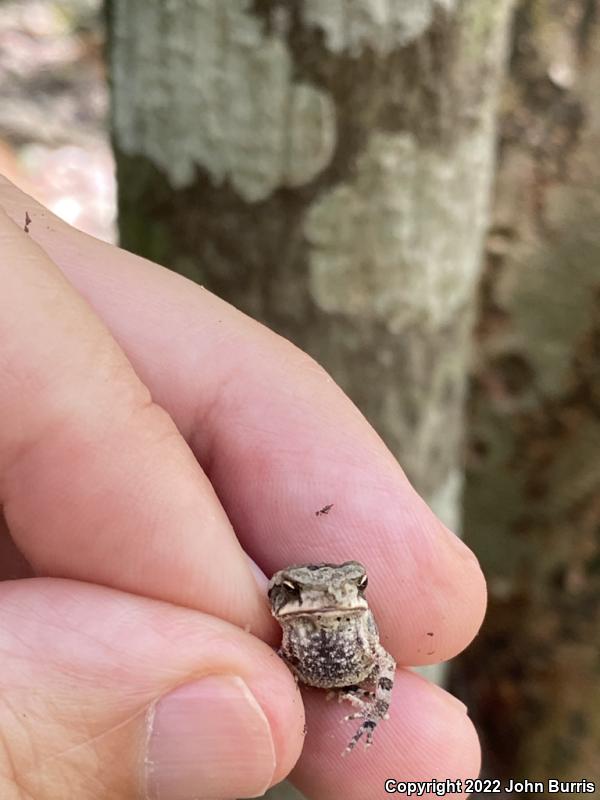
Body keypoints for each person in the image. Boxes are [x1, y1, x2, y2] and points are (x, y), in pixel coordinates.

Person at [0, 175, 485, 800]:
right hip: (289, 677)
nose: (330, 595)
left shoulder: (356, 614)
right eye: (299, 591)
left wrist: (372, 703)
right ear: (282, 598)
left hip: (354, 675)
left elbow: (385, 662)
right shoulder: (282, 623)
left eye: (350, 583)